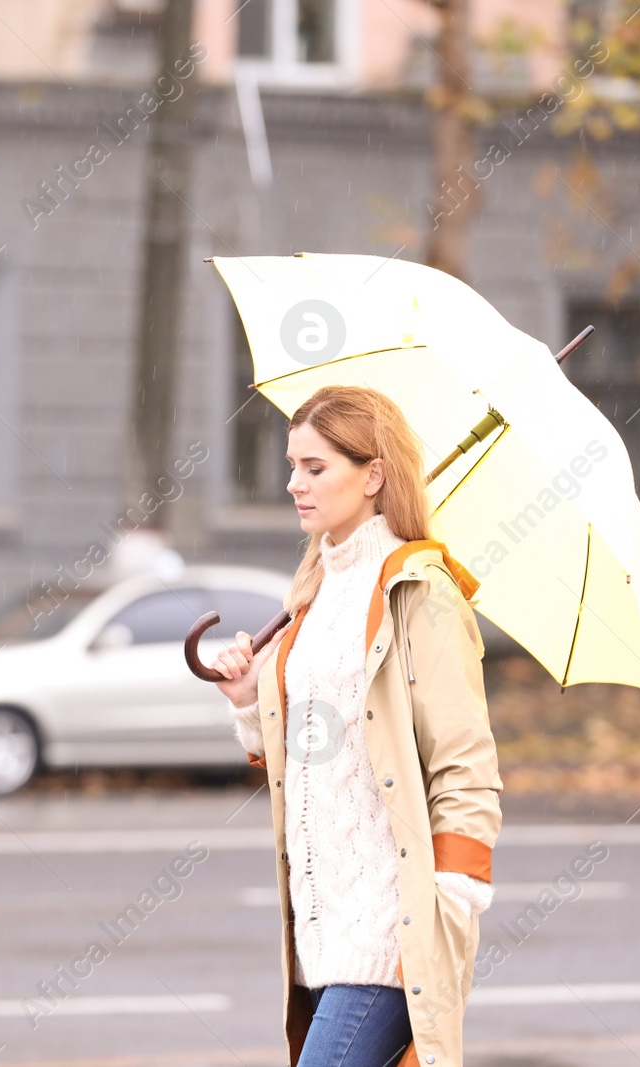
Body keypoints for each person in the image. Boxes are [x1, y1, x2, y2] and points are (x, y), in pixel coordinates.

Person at [210, 385, 501, 1067]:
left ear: (373, 475)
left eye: (315, 468)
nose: (293, 484)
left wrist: (446, 911)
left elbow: (466, 764)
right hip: (319, 930)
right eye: (292, 466)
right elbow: (304, 754)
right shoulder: (312, 589)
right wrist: (250, 697)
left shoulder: (419, 591)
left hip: (388, 931)